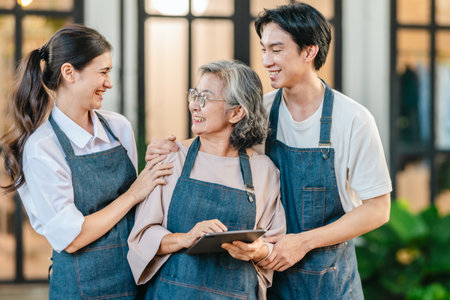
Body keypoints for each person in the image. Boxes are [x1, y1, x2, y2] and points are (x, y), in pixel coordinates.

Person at [147, 2, 392, 299]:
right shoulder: (262, 109)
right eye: (263, 49)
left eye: (276, 50)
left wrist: (303, 242)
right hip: (270, 273)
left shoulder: (353, 119)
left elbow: (378, 210)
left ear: (309, 51)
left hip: (329, 279)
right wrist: (170, 148)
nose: (266, 60)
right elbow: (216, 146)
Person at [0, 24, 172, 299]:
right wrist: (134, 193)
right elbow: (72, 238)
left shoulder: (119, 128)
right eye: (103, 72)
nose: (109, 82)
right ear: (69, 73)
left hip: (135, 279)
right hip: (80, 289)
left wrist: (157, 162)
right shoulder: (42, 148)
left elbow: (138, 209)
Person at [127, 60, 286, 300]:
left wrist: (259, 250)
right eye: (194, 95)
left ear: (236, 113)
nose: (194, 106)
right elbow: (141, 238)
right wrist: (186, 238)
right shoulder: (171, 159)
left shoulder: (263, 172)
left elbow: (274, 244)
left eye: (205, 98)